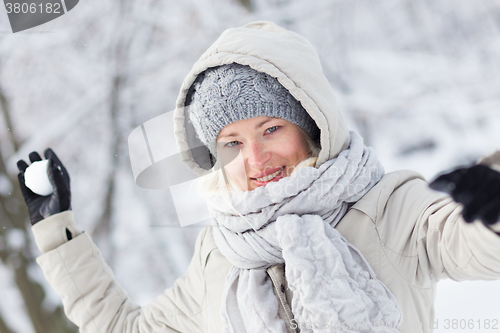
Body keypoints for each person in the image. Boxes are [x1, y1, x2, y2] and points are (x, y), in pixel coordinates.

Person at [16, 21, 500, 333]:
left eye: (271, 128)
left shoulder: (389, 208)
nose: (255, 157)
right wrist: (59, 236)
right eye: (232, 143)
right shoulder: (220, 254)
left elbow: (477, 246)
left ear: (311, 125)